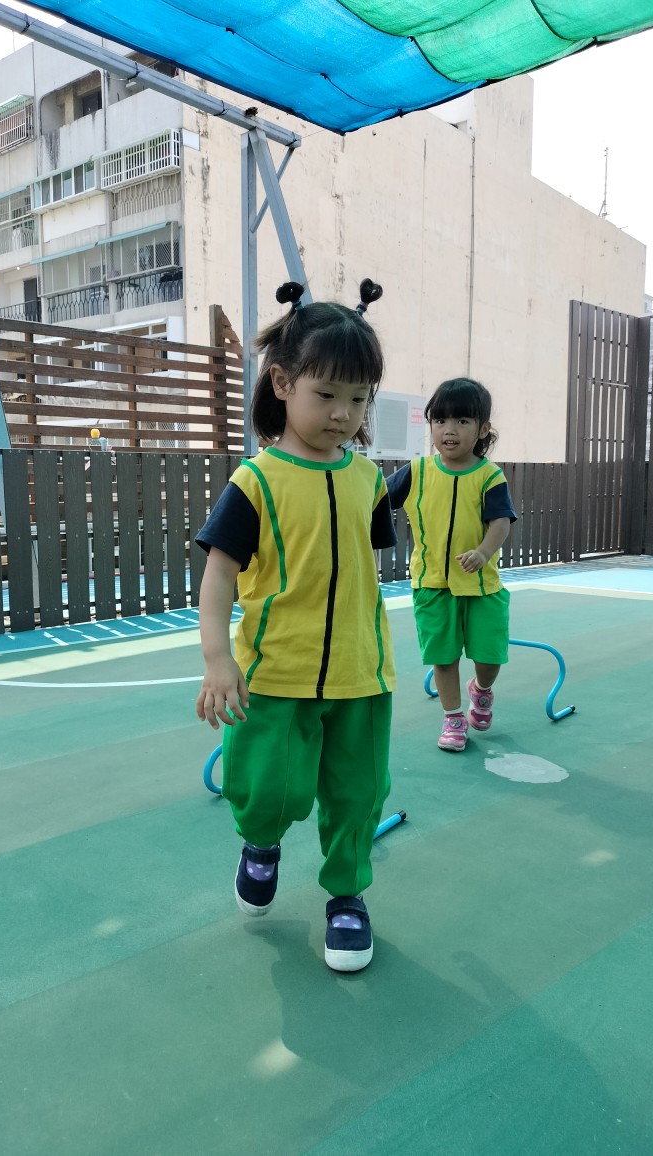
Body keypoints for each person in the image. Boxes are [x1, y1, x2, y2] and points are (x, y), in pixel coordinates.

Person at [195, 279, 396, 973]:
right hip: (277, 674)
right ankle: (261, 844)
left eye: (358, 399)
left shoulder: (368, 481)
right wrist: (217, 659)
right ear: (282, 383)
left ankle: (347, 896)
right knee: (270, 790)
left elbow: (362, 567)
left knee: (358, 794)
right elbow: (219, 574)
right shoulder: (255, 482)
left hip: (362, 674)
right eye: (327, 394)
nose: (343, 414)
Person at [386, 377, 516, 752]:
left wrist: (483, 552)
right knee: (443, 658)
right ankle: (453, 718)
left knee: (489, 656)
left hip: (481, 586)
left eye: (462, 420)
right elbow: (375, 498)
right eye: (440, 420)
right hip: (432, 584)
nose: (449, 430)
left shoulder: (489, 476)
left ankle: (482, 689)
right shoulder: (417, 472)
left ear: (482, 429)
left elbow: (501, 522)